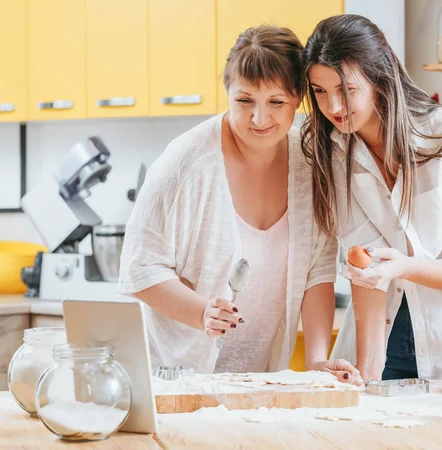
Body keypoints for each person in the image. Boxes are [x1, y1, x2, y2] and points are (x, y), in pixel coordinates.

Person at [118, 25, 360, 383]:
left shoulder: (310, 163)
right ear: (228, 93)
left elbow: (317, 273)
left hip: (257, 380)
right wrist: (203, 313)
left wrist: (317, 362)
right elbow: (140, 270)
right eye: (244, 101)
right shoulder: (186, 162)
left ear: (299, 98)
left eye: (276, 102)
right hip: (172, 378)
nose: (260, 119)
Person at [300, 14, 442, 381]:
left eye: (346, 90)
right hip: (385, 338)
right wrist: (369, 373)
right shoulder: (335, 152)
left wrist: (403, 266)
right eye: (320, 91)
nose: (333, 107)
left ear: (379, 77)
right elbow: (365, 270)